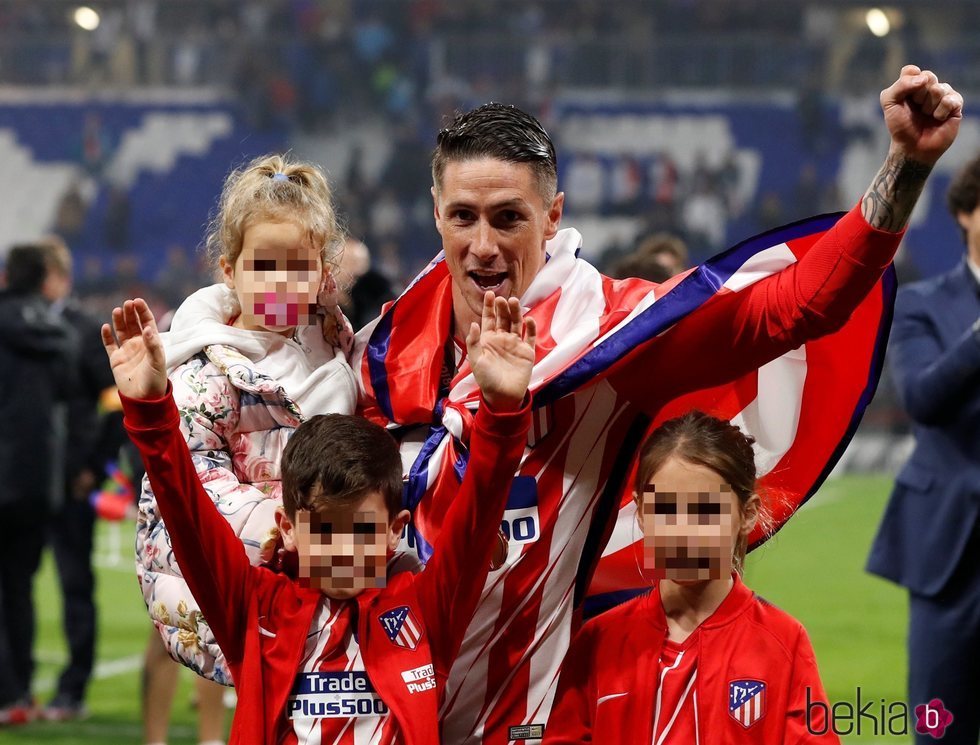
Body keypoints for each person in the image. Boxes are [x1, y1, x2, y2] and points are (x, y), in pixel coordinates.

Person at [350, 66, 962, 742]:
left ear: (553, 217)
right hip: (373, 707)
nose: (484, 245)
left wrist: (906, 166)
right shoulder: (379, 350)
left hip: (511, 718)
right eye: (463, 216)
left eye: (509, 218)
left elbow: (792, 307)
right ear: (435, 210)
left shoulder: (608, 340)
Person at [102, 293, 534, 743]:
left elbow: (478, 516)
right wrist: (151, 413)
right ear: (287, 528)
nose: (344, 549)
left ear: (394, 531)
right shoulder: (254, 609)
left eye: (363, 530)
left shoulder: (424, 610)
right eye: (325, 529)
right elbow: (189, 521)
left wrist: (502, 412)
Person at [135, 154, 357, 683]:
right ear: (229, 270)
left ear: (323, 276)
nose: (280, 283)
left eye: (298, 268)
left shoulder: (343, 358)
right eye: (263, 267)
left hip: (326, 584)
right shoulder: (203, 368)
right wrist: (283, 527)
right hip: (231, 586)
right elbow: (194, 484)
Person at [543, 411, 839, 743]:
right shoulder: (598, 641)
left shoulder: (783, 643)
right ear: (641, 513)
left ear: (747, 513)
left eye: (705, 510)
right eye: (665, 509)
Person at [866, 152, 980, 744]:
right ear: (965, 213)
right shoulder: (921, 303)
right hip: (950, 550)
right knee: (941, 729)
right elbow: (922, 398)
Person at [32, 237, 116, 722]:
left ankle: (73, 689)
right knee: (14, 586)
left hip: (70, 480)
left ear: (60, 278)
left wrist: (94, 467)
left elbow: (112, 404)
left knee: (74, 585)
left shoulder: (86, 331)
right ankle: (14, 687)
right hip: (25, 480)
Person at [0, 244, 78, 724]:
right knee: (19, 586)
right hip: (37, 481)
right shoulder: (62, 333)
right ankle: (21, 693)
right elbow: (74, 396)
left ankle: (7, 691)